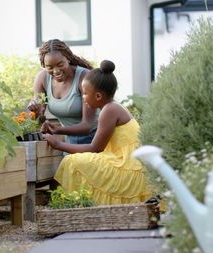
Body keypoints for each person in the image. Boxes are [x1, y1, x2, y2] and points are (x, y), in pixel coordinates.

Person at [43, 60, 151, 205]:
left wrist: (58, 144)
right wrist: (59, 130)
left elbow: (95, 148)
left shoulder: (109, 110)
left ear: (98, 96)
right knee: (79, 161)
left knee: (71, 161)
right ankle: (80, 203)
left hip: (127, 166)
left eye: (85, 93)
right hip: (126, 161)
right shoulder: (113, 107)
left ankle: (75, 205)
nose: (83, 97)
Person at [27, 39, 98, 144]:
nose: (56, 71)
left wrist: (58, 130)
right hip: (70, 139)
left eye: (60, 64)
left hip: (97, 137)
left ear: (68, 58)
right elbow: (38, 117)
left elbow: (87, 125)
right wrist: (35, 109)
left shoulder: (84, 77)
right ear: (44, 65)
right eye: (49, 67)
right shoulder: (42, 78)